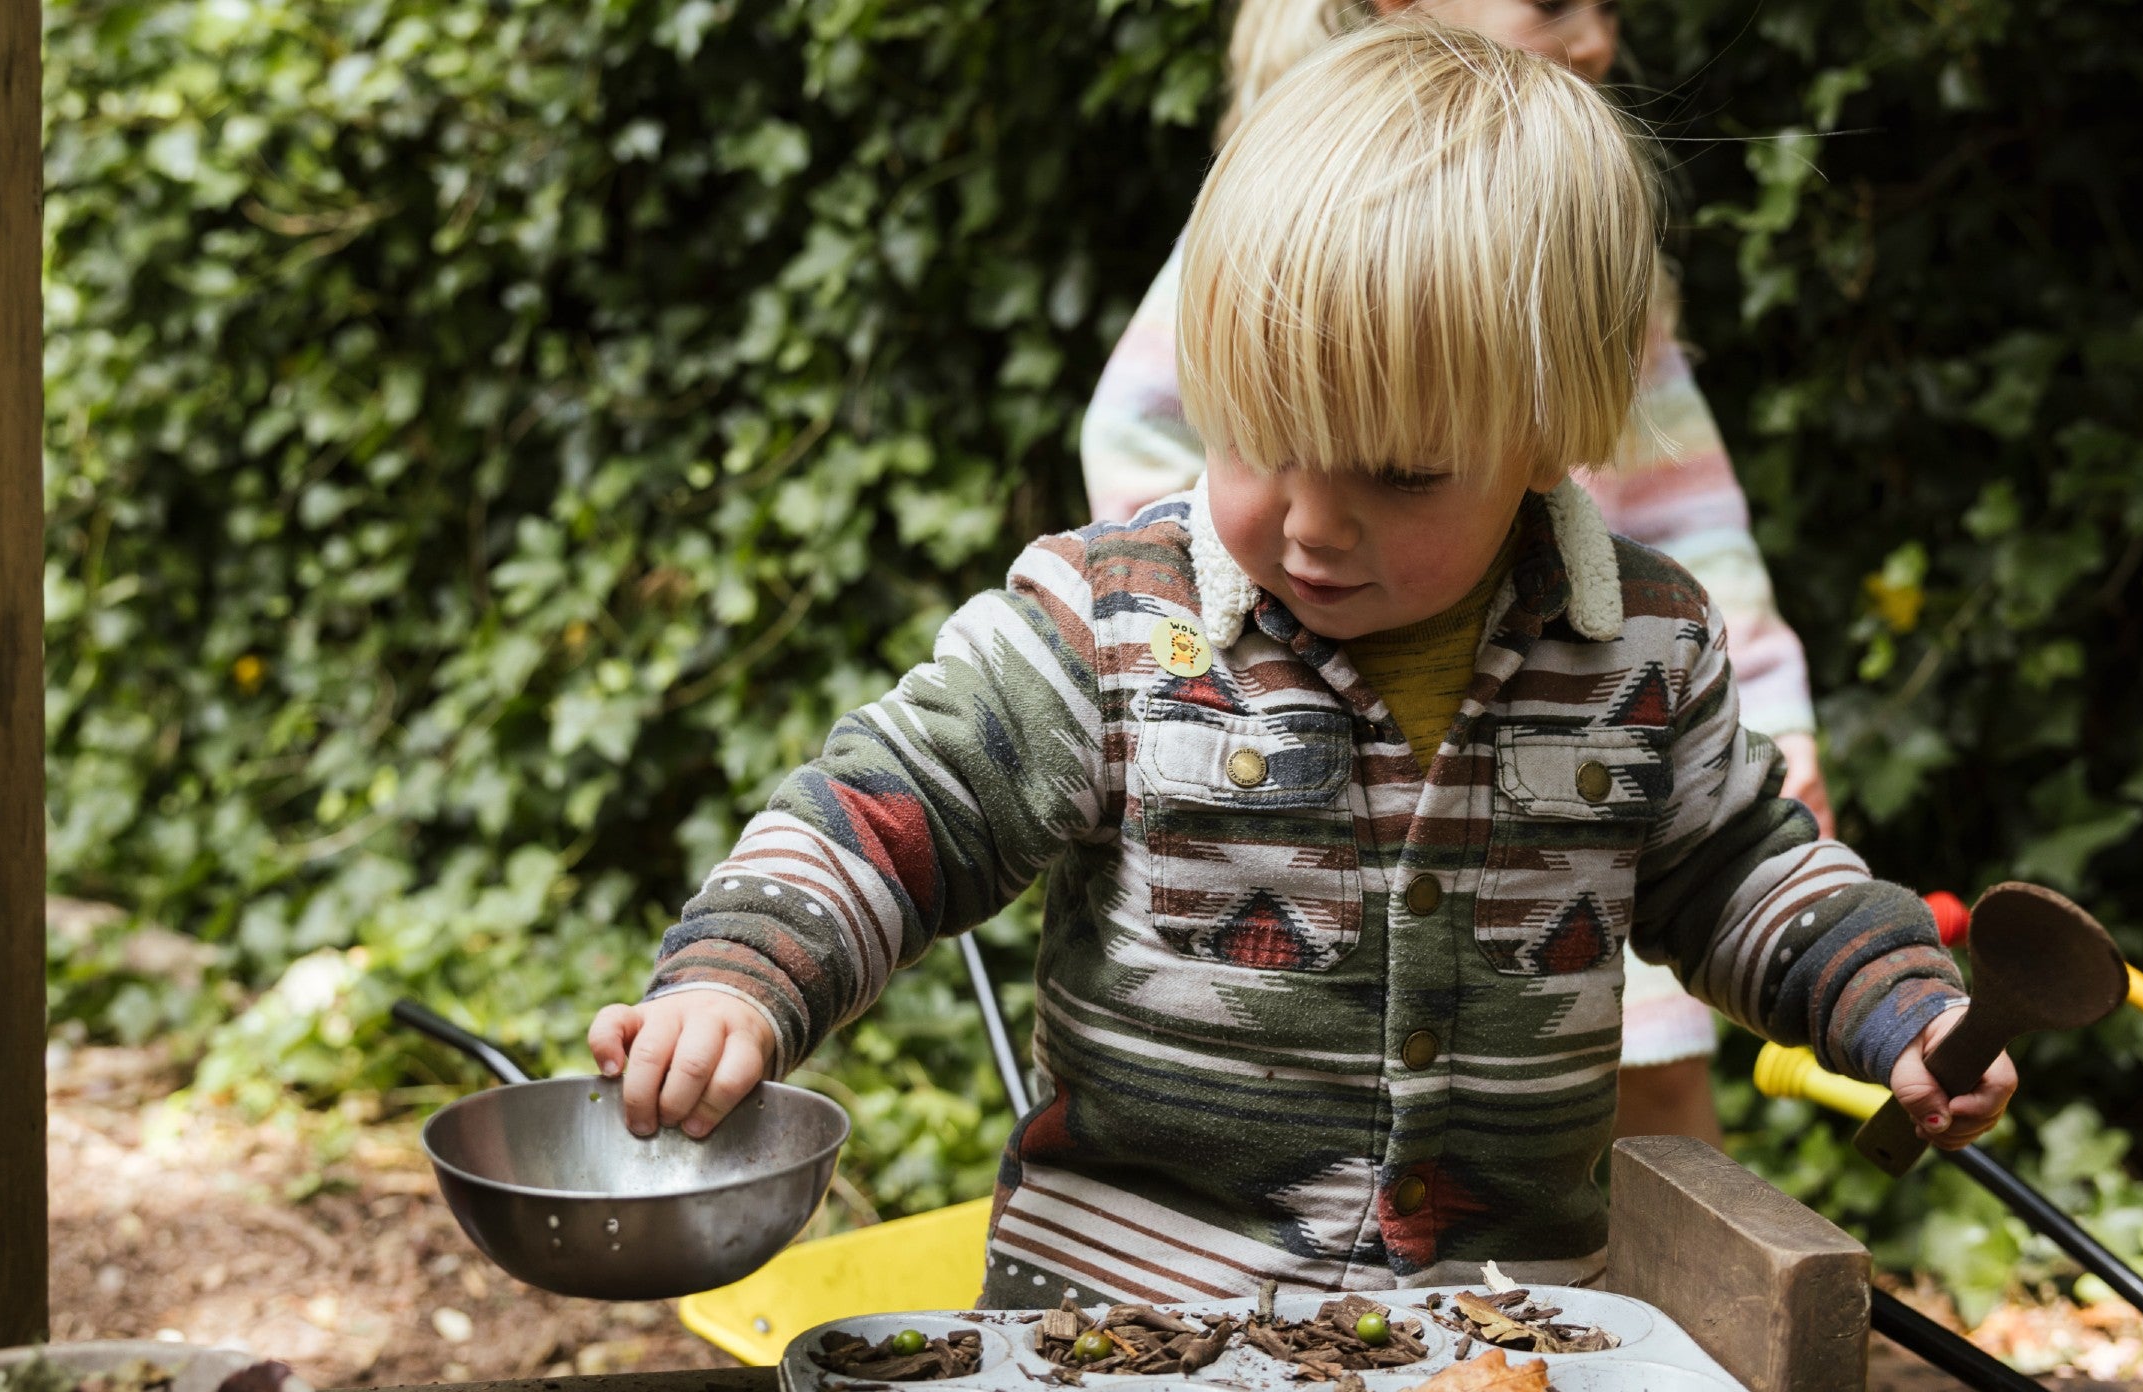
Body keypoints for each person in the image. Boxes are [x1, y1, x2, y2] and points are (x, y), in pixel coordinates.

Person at [592, 22, 2006, 1306]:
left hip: (1501, 1344)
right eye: (1264, 436)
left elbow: (1746, 870)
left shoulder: (1638, 650)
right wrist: (736, 977)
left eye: (1398, 476)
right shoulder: (1111, 624)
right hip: (1132, 1327)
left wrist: (1893, 1005)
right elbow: (894, 810)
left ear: (1550, 434)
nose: (1315, 524)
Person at [1083, 0, 1828, 1145]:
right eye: (1552, 0)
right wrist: (1200, 616)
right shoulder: (1280, 225)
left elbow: (1695, 524)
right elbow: (1134, 436)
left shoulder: (1582, 285)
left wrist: (1767, 716)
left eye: (1402, 472)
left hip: (1571, 779)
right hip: (1291, 819)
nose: (1319, 527)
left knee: (1653, 1094)